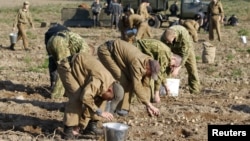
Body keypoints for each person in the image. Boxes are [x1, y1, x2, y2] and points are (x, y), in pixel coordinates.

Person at [46, 34, 124, 140]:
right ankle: (68, 130)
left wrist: (82, 124)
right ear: (110, 89)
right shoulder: (100, 81)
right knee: (76, 97)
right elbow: (86, 98)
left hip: (81, 72)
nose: (109, 100)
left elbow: (94, 101)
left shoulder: (110, 83)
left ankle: (91, 126)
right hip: (68, 68)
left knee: (101, 99)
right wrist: (100, 112)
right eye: (111, 98)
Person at [97, 39, 161, 117]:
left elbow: (145, 85)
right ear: (148, 68)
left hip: (117, 56)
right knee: (123, 80)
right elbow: (137, 86)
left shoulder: (149, 62)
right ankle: (109, 105)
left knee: (129, 80)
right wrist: (149, 105)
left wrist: (148, 105)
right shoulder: (137, 63)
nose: (150, 75)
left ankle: (122, 109)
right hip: (106, 51)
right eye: (150, 73)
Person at [45, 28, 91, 99]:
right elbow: (79, 61)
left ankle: (62, 89)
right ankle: (56, 95)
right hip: (60, 42)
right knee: (65, 69)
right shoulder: (86, 48)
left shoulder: (79, 43)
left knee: (60, 67)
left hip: (51, 41)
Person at [133, 38, 182, 103]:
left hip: (142, 51)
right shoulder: (165, 54)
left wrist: (165, 85)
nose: (171, 67)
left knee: (149, 78)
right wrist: (156, 94)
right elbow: (159, 73)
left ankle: (143, 98)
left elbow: (161, 72)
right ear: (174, 59)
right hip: (137, 49)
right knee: (144, 78)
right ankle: (136, 99)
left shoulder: (167, 54)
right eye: (173, 66)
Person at [160, 25, 201, 94]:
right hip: (172, 50)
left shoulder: (183, 35)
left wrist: (177, 68)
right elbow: (163, 51)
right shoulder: (164, 37)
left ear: (175, 37)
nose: (167, 42)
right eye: (166, 41)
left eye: (169, 41)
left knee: (192, 69)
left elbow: (185, 55)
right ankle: (165, 90)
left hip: (186, 50)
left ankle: (195, 91)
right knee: (167, 67)